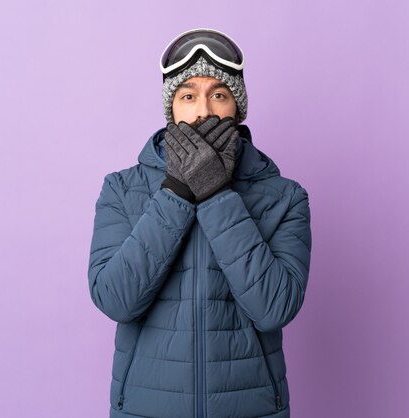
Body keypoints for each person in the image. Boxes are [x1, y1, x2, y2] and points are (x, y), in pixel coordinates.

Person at [88, 28, 312, 418]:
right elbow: (115, 299)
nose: (203, 111)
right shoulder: (121, 190)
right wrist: (176, 192)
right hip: (146, 409)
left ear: (237, 109)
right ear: (171, 109)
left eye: (219, 95)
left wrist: (215, 194)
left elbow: (275, 308)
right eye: (188, 95)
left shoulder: (285, 197)